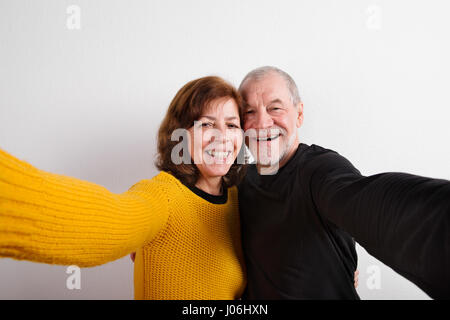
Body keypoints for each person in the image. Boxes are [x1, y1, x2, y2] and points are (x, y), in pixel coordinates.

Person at [0, 76, 248, 300]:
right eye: (206, 124)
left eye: (232, 125)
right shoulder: (163, 196)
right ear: (180, 136)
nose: (222, 137)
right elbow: (106, 222)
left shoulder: (239, 200)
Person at [237, 66, 450, 300]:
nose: (261, 123)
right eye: (249, 112)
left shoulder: (320, 169)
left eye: (275, 108)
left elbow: (375, 209)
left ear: (299, 114)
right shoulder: (239, 182)